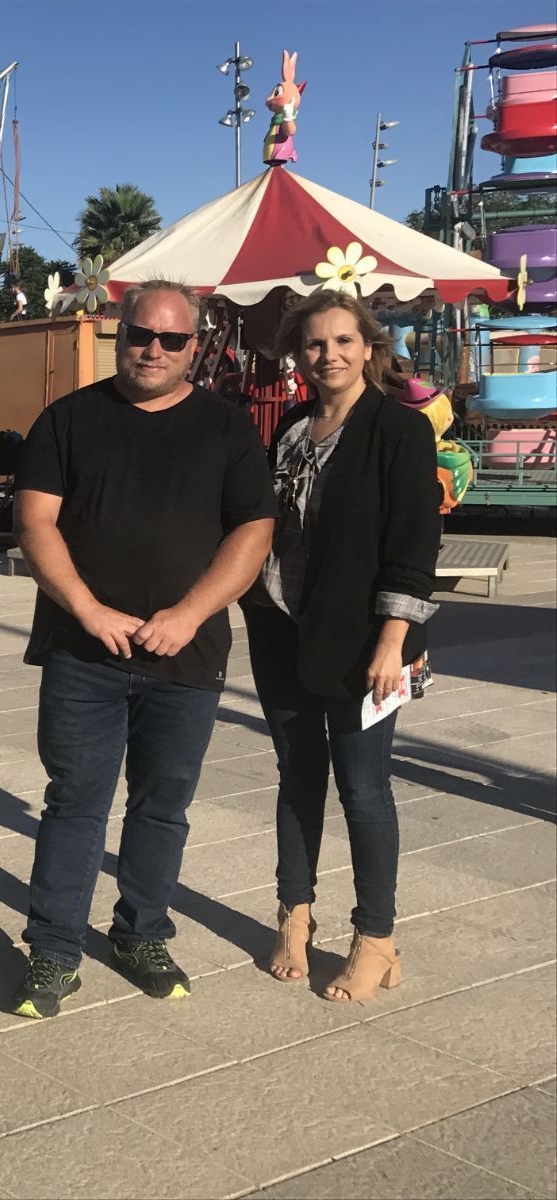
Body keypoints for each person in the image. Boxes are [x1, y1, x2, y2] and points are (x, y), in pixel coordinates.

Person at [11, 279, 276, 1019]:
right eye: (139, 335)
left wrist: (190, 615)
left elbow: (254, 531)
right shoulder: (67, 420)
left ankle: (141, 933)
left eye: (171, 339)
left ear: (195, 346)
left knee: (163, 808)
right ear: (118, 334)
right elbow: (35, 524)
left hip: (186, 655)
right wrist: (89, 609)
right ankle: (54, 950)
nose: (153, 350)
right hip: (82, 653)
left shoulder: (227, 428)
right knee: (75, 804)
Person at [244, 292, 439, 1002]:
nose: (328, 355)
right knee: (296, 777)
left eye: (342, 341)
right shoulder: (293, 426)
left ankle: (376, 939)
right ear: (299, 354)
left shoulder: (399, 429)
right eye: (315, 344)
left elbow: (415, 542)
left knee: (362, 787)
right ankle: (293, 917)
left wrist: (393, 642)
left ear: (369, 348)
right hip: (280, 627)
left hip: (365, 639)